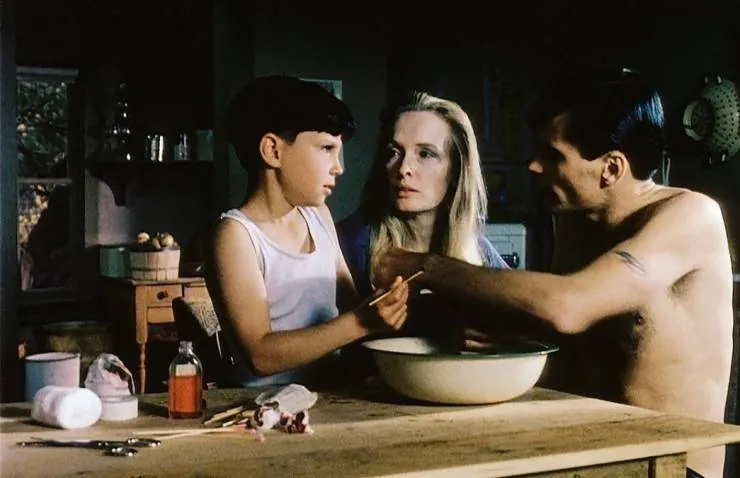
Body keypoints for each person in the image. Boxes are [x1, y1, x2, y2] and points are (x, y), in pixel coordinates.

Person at [372, 67, 734, 478]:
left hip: (672, 468)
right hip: (587, 456)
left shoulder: (691, 216)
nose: (533, 166)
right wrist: (509, 334)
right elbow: (572, 337)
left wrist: (427, 266)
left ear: (612, 168)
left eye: (552, 155)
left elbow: (569, 306)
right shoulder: (575, 220)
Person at [204, 75, 410, 389]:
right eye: (327, 148)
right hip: (263, 406)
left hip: (329, 398)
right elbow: (260, 355)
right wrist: (362, 321)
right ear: (272, 150)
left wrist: (386, 302)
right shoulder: (235, 236)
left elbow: (351, 305)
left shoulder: (319, 217)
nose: (339, 167)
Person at [336, 91, 509, 361]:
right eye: (394, 152)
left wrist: (495, 332)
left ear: (456, 171)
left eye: (425, 154)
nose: (403, 168)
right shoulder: (350, 243)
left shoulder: (477, 249)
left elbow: (519, 319)